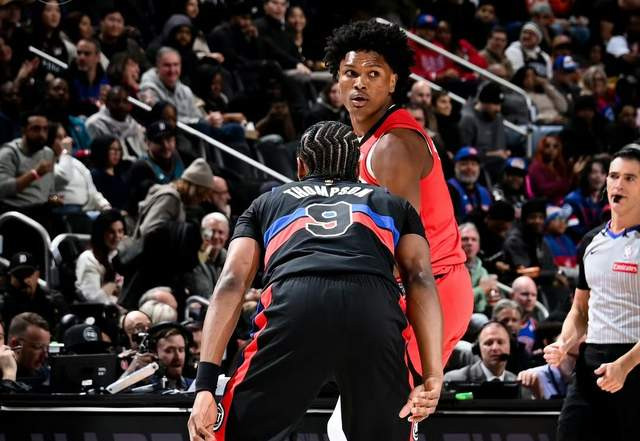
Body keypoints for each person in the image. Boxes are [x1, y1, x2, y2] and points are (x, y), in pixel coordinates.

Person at [188, 121, 444, 441]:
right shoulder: (392, 202)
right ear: (357, 168)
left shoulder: (267, 202)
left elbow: (231, 283)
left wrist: (205, 385)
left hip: (294, 301)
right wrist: (433, 374)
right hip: (372, 307)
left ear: (300, 166)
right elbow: (420, 278)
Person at [324, 18, 472, 371]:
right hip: (425, 288)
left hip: (427, 290)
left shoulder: (393, 146)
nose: (360, 83)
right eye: (350, 73)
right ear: (337, 80)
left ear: (393, 81)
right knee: (362, 407)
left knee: (379, 404)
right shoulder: (369, 138)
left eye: (373, 74)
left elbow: (405, 246)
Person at [544, 144, 640, 441]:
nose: (618, 184)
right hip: (590, 365)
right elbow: (580, 310)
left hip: (633, 364)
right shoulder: (590, 241)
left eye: (630, 178)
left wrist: (624, 366)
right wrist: (563, 343)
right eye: (614, 176)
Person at [75, 209, 125, 304]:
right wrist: (113, 285)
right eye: (111, 232)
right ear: (101, 233)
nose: (117, 236)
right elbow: (95, 300)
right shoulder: (88, 259)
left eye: (120, 231)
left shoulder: (120, 254)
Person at [444, 321, 516, 383]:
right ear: (478, 348)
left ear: (511, 346)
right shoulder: (453, 379)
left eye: (500, 342)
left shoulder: (515, 380)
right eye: (489, 343)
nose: (495, 348)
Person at [6, 312, 51, 391]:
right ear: (15, 344)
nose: (45, 355)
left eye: (47, 348)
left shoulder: (45, 374)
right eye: (38, 347)